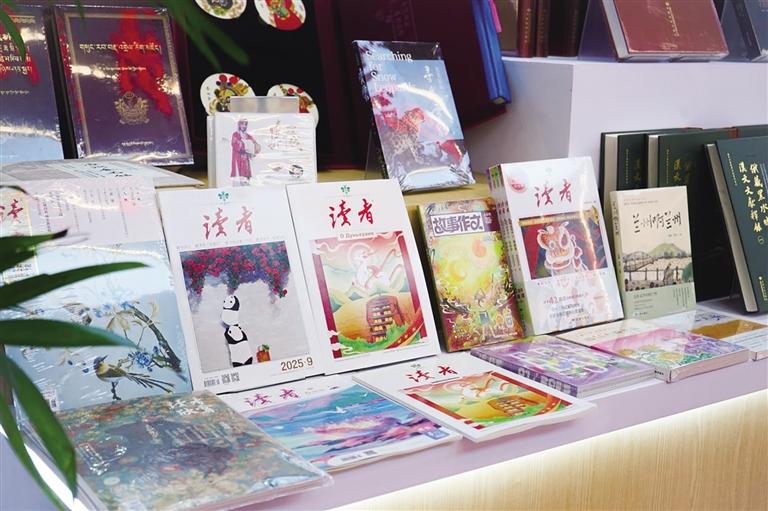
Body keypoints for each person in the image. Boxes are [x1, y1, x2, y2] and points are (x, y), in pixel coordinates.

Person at [230, 119, 259, 185]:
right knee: (237, 178)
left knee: (246, 177)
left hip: (245, 159)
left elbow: (255, 144)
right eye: (242, 124)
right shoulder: (235, 134)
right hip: (237, 158)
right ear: (239, 125)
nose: (244, 126)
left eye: (245, 124)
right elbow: (234, 144)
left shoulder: (248, 136)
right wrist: (244, 145)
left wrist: (255, 147)